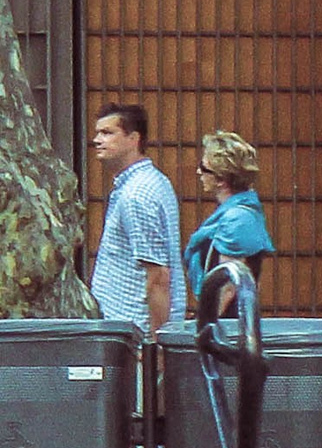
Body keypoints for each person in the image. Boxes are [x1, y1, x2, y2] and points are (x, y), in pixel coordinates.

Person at [88, 103, 183, 334]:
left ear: (133, 139)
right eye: (97, 133)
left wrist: (156, 343)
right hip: (127, 330)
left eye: (108, 133)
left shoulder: (137, 194)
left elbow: (158, 274)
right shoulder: (153, 180)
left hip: (135, 333)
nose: (97, 140)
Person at [184, 128, 274, 303]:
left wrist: (206, 325)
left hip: (227, 324)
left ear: (221, 179)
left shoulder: (237, 220)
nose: (198, 172)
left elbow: (228, 287)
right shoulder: (234, 215)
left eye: (204, 167)